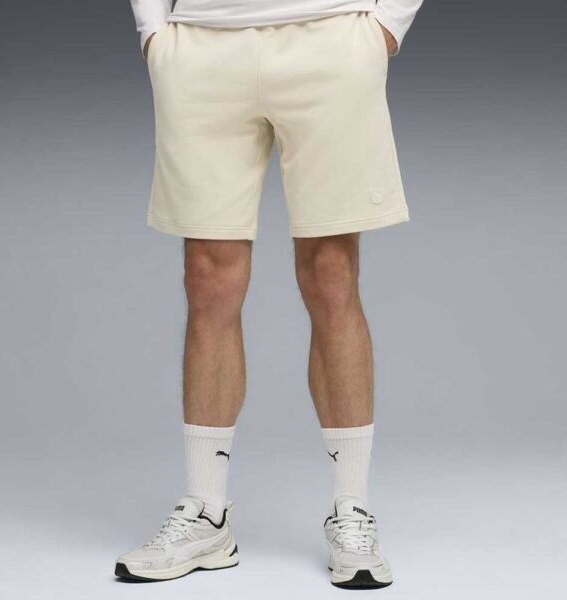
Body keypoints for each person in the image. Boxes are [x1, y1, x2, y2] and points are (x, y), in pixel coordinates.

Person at [115, 0, 422, 590]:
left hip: (331, 39)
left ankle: (351, 507)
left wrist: (388, 25)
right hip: (202, 45)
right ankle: (207, 514)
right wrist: (152, 30)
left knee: (331, 273)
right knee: (208, 276)